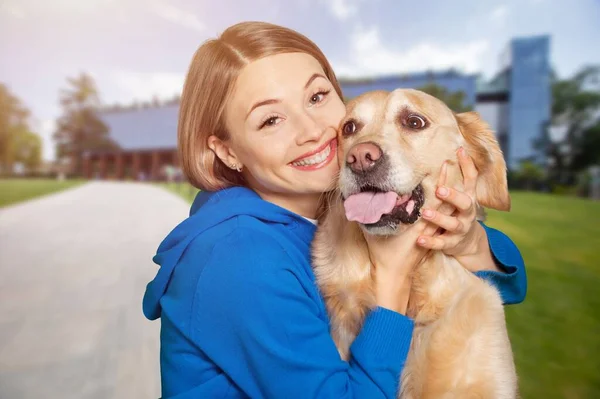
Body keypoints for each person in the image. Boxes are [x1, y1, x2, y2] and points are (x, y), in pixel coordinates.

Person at [143, 21, 527, 399]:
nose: (311, 130)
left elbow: (511, 285)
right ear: (227, 151)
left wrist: (468, 242)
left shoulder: (329, 207)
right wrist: (393, 276)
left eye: (316, 97)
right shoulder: (238, 257)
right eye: (271, 119)